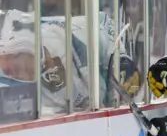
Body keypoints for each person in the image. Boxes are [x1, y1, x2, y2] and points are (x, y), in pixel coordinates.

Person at [0, 9, 138, 114]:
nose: (22, 73)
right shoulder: (33, 93)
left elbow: (106, 29)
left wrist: (121, 60)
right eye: (13, 73)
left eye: (19, 65)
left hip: (118, 106)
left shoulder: (65, 36)